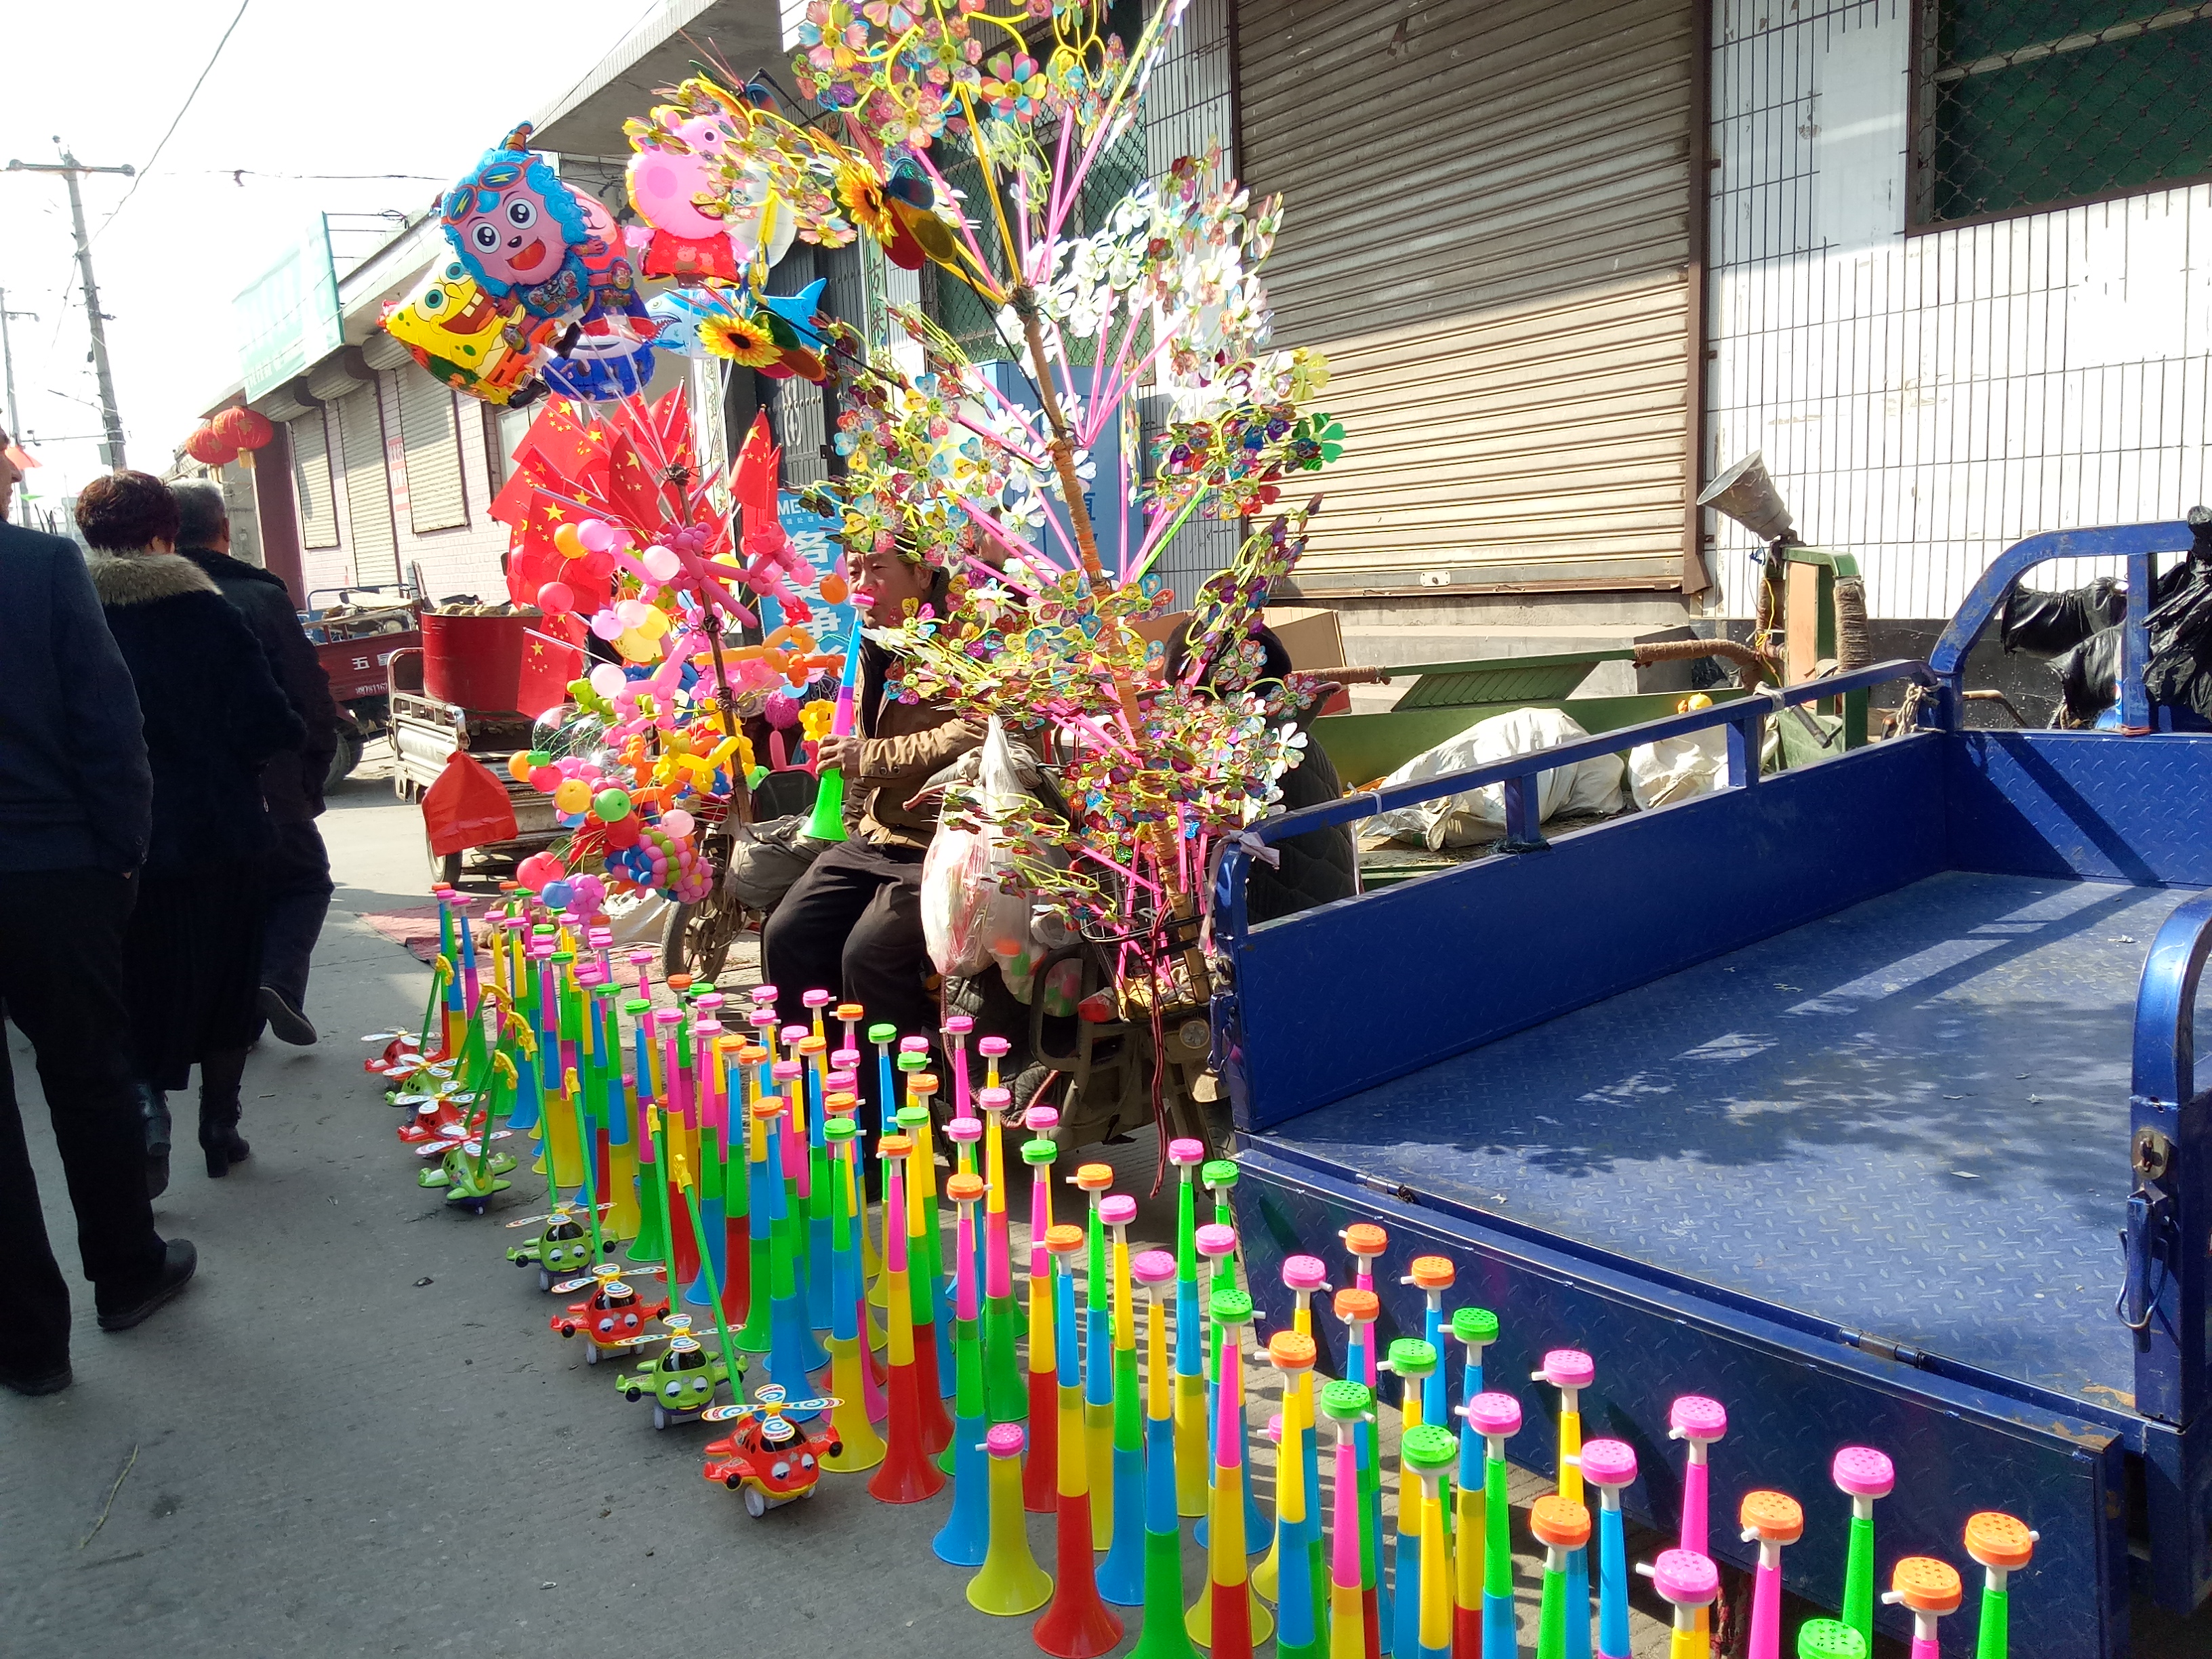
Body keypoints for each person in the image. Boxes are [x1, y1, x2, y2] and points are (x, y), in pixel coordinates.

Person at [0, 436, 195, 1393]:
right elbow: (107, 723)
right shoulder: (38, 569)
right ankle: (125, 1273)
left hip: (53, 858)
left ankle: (28, 1347)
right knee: (88, 1076)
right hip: (50, 866)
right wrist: (123, 853)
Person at [77, 472, 304, 1182]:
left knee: (135, 983)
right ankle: (220, 1126)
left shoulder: (76, 616)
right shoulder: (206, 614)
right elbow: (271, 721)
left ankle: (150, 1116)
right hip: (221, 831)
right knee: (229, 976)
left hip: (119, 842)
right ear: (165, 532)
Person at [761, 543, 981, 1044]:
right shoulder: (871, 641)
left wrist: (870, 756)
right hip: (876, 832)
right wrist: (851, 810)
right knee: (787, 933)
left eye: (878, 569)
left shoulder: (968, 636)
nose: (862, 584)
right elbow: (860, 737)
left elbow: (976, 730)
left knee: (868, 954)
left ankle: (897, 1107)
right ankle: (815, 1081)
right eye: (855, 570)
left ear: (923, 576)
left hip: (942, 837)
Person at [171, 481, 340, 1044]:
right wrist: (308, 774)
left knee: (221, 899)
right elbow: (308, 698)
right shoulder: (255, 598)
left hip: (181, 794)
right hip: (267, 782)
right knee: (303, 881)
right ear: (224, 529)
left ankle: (235, 1017)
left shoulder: (140, 602)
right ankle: (275, 980)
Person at [1163, 619, 1357, 924]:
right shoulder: (1289, 734)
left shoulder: (1244, 754)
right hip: (1322, 911)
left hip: (1278, 928)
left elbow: (1204, 840)